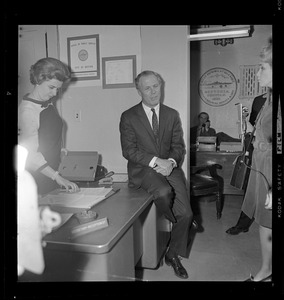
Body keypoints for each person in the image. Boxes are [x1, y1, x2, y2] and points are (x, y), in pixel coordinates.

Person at [120, 70, 193, 279]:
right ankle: (180, 220)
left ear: (161, 85)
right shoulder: (128, 116)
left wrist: (170, 162)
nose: (153, 92)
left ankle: (172, 254)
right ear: (139, 91)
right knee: (162, 192)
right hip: (143, 170)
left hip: (169, 168)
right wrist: (155, 161)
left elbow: (178, 146)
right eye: (147, 88)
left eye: (156, 86)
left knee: (186, 213)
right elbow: (129, 150)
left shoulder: (172, 114)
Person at [18, 57, 79, 195]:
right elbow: (31, 154)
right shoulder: (27, 111)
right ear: (38, 80)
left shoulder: (46, 101)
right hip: (38, 177)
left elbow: (49, 132)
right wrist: (57, 177)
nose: (54, 93)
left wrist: (61, 150)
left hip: (53, 172)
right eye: (51, 87)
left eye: (58, 89)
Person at [241, 38, 272, 281]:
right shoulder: (267, 100)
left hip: (271, 172)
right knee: (264, 223)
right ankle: (267, 269)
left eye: (262, 67)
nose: (258, 71)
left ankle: (266, 272)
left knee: (267, 223)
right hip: (262, 168)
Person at [226, 93, 267, 235]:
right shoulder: (259, 100)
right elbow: (253, 127)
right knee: (250, 188)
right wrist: (243, 120)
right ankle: (243, 224)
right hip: (257, 150)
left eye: (262, 69)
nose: (258, 74)